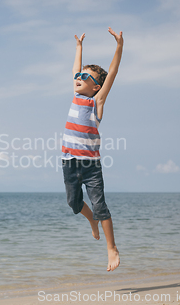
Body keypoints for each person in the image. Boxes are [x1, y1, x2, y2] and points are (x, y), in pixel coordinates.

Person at [61, 27, 123, 272]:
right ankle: (92, 222)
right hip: (68, 162)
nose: (78, 79)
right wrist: (79, 48)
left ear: (97, 87)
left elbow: (113, 73)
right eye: (78, 76)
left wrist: (119, 46)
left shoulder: (96, 103)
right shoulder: (76, 97)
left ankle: (111, 248)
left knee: (100, 206)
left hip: (90, 166)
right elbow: (76, 70)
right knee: (73, 204)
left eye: (85, 78)